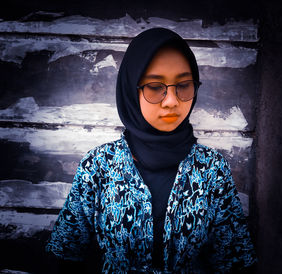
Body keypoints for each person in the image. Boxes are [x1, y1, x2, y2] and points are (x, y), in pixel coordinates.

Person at [46, 28, 257, 273]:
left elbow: (233, 260)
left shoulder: (211, 168)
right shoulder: (99, 166)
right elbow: (67, 255)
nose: (171, 101)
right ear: (131, 89)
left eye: (184, 85)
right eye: (155, 86)